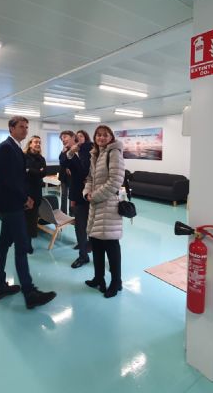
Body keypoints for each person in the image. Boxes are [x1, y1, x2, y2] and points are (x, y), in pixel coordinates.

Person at [0, 116, 56, 309]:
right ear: (11, 128)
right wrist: (24, 198)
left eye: (27, 127)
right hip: (12, 205)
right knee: (21, 248)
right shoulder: (6, 148)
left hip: (12, 203)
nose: (25, 130)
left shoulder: (14, 147)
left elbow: (18, 177)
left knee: (4, 245)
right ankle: (30, 293)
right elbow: (8, 180)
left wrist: (24, 196)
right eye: (21, 127)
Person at [82, 125, 125, 298]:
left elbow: (115, 181)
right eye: (98, 135)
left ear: (111, 137)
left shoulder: (114, 153)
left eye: (105, 135)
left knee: (111, 246)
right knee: (96, 244)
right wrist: (87, 193)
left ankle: (116, 282)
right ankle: (98, 278)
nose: (101, 138)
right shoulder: (96, 154)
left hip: (109, 206)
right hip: (95, 205)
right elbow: (90, 178)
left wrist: (94, 196)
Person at [60, 129, 92, 268]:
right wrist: (69, 152)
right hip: (78, 195)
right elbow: (63, 163)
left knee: (95, 226)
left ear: (74, 138)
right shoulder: (65, 154)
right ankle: (83, 255)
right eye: (62, 139)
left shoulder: (88, 148)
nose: (63, 140)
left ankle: (93, 247)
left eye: (65, 137)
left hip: (94, 193)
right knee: (80, 226)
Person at [23, 135, 47, 253]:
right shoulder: (23, 156)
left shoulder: (41, 158)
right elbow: (23, 171)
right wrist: (37, 171)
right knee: (23, 218)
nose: (38, 144)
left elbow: (44, 173)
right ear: (30, 144)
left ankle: (28, 244)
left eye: (39, 142)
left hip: (36, 192)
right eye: (35, 142)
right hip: (25, 192)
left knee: (32, 220)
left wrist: (30, 170)